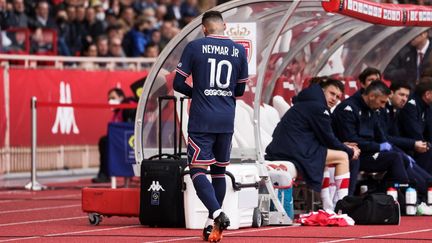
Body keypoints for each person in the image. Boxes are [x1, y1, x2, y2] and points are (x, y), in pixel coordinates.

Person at [173, 11, 248, 242]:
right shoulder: (239, 50)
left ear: (204, 28)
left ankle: (216, 213)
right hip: (226, 119)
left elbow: (178, 83)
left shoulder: (195, 47)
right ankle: (211, 224)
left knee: (196, 170)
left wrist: (199, 93)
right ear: (224, 26)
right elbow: (240, 91)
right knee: (218, 171)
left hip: (202, 118)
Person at [265, 78, 360, 211]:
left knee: (328, 156)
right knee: (343, 157)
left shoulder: (307, 103)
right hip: (294, 151)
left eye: (338, 97)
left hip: (286, 148)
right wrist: (349, 151)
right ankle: (342, 205)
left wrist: (342, 145)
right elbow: (329, 139)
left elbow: (324, 139)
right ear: (322, 91)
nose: (334, 99)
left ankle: (328, 206)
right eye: (332, 94)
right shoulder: (318, 107)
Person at [332, 81, 410, 191]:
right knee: (395, 158)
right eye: (382, 101)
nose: (383, 106)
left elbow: (379, 134)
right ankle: (403, 197)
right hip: (354, 153)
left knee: (403, 158)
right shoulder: (348, 108)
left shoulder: (372, 109)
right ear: (372, 96)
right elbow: (351, 140)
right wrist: (378, 147)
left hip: (368, 151)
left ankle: (380, 193)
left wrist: (386, 146)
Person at [380, 81, 432, 204]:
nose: (404, 99)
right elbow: (384, 138)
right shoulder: (385, 110)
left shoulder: (395, 111)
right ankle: (416, 200)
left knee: (427, 177)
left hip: (398, 149)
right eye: (401, 95)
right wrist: (413, 144)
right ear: (391, 93)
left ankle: (421, 197)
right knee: (404, 158)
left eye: (406, 96)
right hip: (383, 150)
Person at [92, 87, 136, 183]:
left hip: (127, 141)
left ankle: (105, 174)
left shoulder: (128, 106)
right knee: (104, 141)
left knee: (104, 141)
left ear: (121, 97)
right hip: (117, 141)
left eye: (113, 97)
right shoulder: (116, 112)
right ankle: (105, 173)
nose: (110, 101)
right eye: (109, 99)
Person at [399, 77, 432, 174]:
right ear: (427, 94)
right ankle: (426, 184)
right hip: (407, 145)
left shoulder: (427, 107)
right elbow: (414, 133)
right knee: (427, 150)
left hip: (418, 144)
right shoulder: (411, 106)